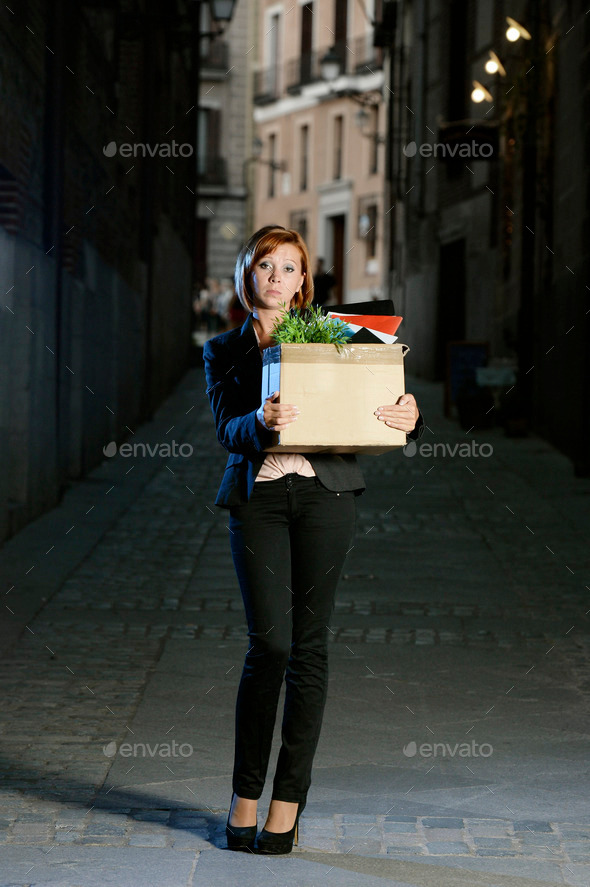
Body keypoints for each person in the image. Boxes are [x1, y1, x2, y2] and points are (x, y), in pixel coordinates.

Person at [202, 225, 423, 855]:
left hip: (327, 498)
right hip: (260, 500)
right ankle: (245, 792)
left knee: (309, 648)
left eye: (289, 268)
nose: (276, 278)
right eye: (264, 266)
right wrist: (259, 420)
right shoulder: (224, 349)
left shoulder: (334, 334)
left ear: (305, 281)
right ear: (248, 275)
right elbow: (226, 427)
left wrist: (412, 415)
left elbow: (387, 386)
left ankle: (286, 804)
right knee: (269, 645)